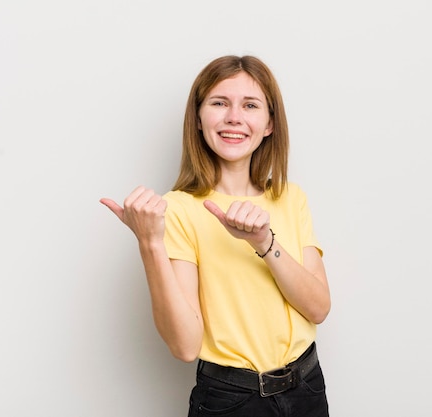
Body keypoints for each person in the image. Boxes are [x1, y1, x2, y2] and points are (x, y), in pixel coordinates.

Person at [100, 55, 331, 416]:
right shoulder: (177, 208)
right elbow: (185, 346)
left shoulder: (290, 197)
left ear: (270, 124)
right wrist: (149, 243)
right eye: (219, 103)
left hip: (307, 388)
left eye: (250, 105)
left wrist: (263, 243)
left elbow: (318, 308)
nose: (234, 117)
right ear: (198, 118)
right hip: (230, 400)